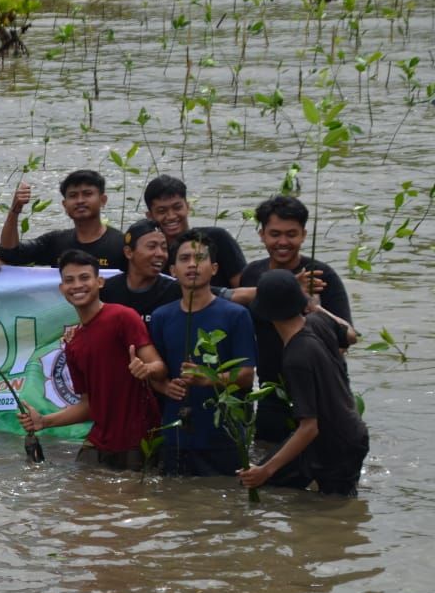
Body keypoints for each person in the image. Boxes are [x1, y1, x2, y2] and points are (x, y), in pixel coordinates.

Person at [17, 250, 163, 470]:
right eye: (69, 280)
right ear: (62, 289)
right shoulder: (74, 344)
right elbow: (88, 406)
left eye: (84, 278)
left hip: (138, 440)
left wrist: (146, 369)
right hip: (98, 440)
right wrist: (44, 422)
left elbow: (160, 367)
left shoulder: (123, 317)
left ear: (99, 282)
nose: (77, 285)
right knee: (80, 497)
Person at [238, 270, 368, 496]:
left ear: (265, 313)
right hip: (348, 431)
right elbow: (351, 335)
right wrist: (316, 308)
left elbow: (309, 428)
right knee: (274, 488)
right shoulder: (318, 322)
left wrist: (265, 470)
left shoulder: (296, 357)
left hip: (336, 444)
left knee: (333, 508)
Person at [238, 195, 354, 442]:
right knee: (267, 458)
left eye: (291, 234)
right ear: (262, 235)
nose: (282, 242)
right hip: (271, 389)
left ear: (303, 234)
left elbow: (345, 340)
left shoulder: (322, 277)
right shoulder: (252, 274)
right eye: (275, 234)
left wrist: (310, 307)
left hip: (318, 391)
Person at [149, 230, 257, 477]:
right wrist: (165, 387)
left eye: (199, 258)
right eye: (184, 259)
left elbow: (246, 375)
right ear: (173, 270)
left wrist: (210, 378)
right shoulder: (161, 317)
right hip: (176, 433)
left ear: (215, 268)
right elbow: (156, 371)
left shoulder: (236, 315)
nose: (192, 265)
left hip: (224, 435)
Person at [102, 218, 251, 326]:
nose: (160, 254)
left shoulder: (176, 288)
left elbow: (231, 295)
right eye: (152, 246)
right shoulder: (107, 290)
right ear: (129, 252)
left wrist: (270, 287)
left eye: (164, 247)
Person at [0, 170, 127, 270]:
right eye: (73, 195)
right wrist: (15, 210)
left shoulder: (121, 245)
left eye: (87, 194)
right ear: (65, 205)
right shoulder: (55, 242)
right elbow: (10, 254)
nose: (80, 200)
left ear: (103, 200)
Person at [143, 174, 246, 288]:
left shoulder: (218, 239)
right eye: (162, 211)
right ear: (150, 216)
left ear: (187, 207)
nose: (171, 216)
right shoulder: (153, 255)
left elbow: (244, 290)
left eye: (177, 207)